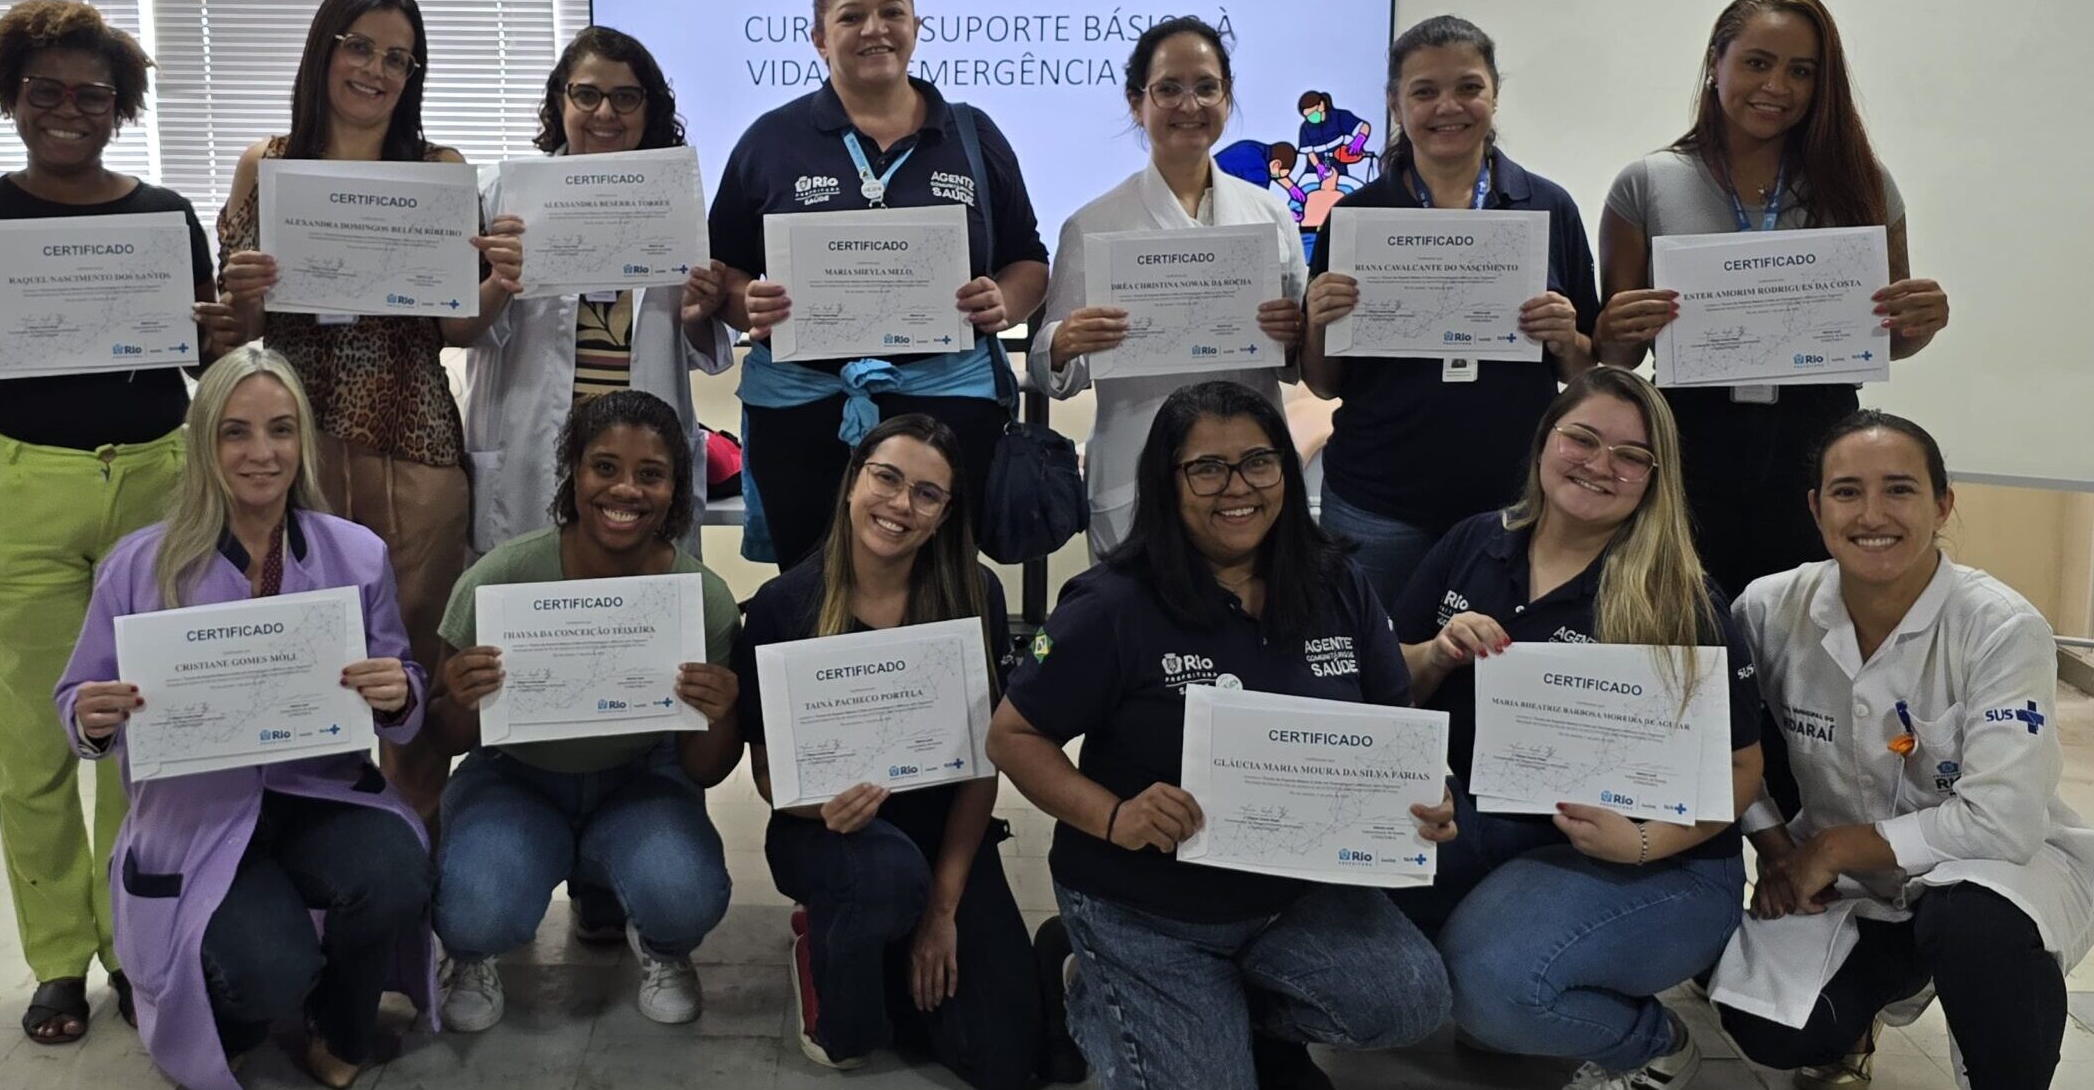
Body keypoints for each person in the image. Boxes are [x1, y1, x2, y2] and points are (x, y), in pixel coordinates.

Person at [0, 0, 236, 1045]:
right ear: (13, 97)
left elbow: (206, 355)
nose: (68, 110)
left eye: (93, 94)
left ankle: (136, 945)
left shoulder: (165, 214)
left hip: (155, 482)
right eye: (46, 91)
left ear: (120, 107)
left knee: (145, 733)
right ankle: (55, 958)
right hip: (22, 484)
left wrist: (227, 327)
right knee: (38, 735)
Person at [984, 381, 1457, 1090]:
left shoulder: (1339, 583)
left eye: (1259, 462)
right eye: (1207, 468)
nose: (1237, 487)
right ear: (1167, 482)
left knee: (1409, 1002)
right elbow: (1012, 736)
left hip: (1296, 897)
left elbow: (1394, 723)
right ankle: (1094, 989)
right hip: (1148, 907)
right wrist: (1115, 817)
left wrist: (1428, 793)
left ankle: (1230, 1018)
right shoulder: (1111, 604)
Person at [55, 348, 437, 1090]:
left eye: (281, 430)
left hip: (317, 791)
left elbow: (404, 698)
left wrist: (397, 693)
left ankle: (343, 1019)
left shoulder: (355, 555)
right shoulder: (139, 567)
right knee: (265, 975)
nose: (262, 453)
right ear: (204, 444)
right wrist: (92, 715)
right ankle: (242, 1004)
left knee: (396, 872)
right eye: (236, 432)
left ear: (304, 442)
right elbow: (77, 700)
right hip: (200, 809)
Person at [1395, 367, 1765, 1090]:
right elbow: (1390, 679)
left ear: (1655, 478)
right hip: (1493, 824)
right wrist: (1437, 654)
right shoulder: (1475, 542)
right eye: (1582, 439)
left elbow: (1743, 768)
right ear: (1545, 441)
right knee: (1347, 900)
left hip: (1658, 859)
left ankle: (1650, 1042)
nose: (1600, 466)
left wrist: (1643, 840)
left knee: (1487, 985)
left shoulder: (1678, 598)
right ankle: (1531, 982)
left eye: (1630, 457)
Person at [1713, 411, 2088, 1090]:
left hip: (1994, 874)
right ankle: (1856, 1023)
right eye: (1848, 491)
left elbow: (2000, 823)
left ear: (1943, 503)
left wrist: (1828, 850)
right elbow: (1721, 741)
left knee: (1979, 925)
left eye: (1901, 489)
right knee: (1769, 1026)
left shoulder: (2000, 627)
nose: (1872, 514)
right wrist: (1775, 846)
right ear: (1816, 507)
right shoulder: (1769, 608)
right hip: (1853, 886)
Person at [213, 0, 514, 824]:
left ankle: (415, 884)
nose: (376, 70)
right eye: (359, 46)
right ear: (324, 51)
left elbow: (455, 328)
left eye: (397, 57)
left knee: (408, 670)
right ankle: (304, 870)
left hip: (412, 440)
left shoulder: (437, 171)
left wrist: (499, 285)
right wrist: (241, 291)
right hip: (287, 450)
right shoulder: (265, 166)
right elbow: (233, 338)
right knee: (291, 660)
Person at [1592, 0, 1950, 598]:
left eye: (1801, 71)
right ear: (1716, 61)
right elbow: (1617, 357)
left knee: (1808, 621)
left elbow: (1887, 343)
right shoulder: (1646, 183)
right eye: (1757, 62)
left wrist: (1921, 323)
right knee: (1684, 618)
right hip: (1688, 432)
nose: (1777, 87)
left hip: (1816, 428)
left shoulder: (1862, 182)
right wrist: (1614, 330)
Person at [707, 0, 1049, 568]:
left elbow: (1028, 259)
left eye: (892, 12)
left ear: (917, 27)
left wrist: (1007, 301)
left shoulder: (973, 135)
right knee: (811, 584)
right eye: (851, 16)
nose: (875, 29)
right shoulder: (770, 140)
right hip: (804, 412)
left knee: (936, 585)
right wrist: (744, 304)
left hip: (948, 406)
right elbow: (723, 270)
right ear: (818, 38)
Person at [733, 415, 1045, 1087]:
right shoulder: (781, 608)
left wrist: (942, 913)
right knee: (857, 1038)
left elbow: (981, 765)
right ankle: (829, 970)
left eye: (927, 494)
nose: (901, 505)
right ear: (853, 482)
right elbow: (767, 774)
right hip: (831, 833)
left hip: (941, 833)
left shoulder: (975, 595)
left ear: (944, 514)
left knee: (1008, 1061)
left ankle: (890, 937)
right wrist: (821, 810)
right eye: (887, 478)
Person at [428, 390, 744, 1033]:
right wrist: (460, 698)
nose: (625, 490)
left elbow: (706, 771)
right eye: (604, 467)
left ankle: (660, 944)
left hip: (640, 777)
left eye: (650, 474)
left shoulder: (702, 599)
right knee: (472, 911)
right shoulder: (501, 577)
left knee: (683, 896)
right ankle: (472, 952)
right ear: (573, 473)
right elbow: (445, 734)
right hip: (515, 773)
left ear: (676, 488)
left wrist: (720, 712)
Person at [1298, 15, 1601, 607]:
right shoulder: (1356, 217)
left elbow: (1584, 372)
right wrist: (1315, 321)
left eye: (1468, 87)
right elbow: (1324, 382)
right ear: (1394, 103)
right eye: (1424, 91)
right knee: (1375, 676)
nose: (1448, 107)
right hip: (1375, 502)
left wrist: (1567, 337)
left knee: (1497, 679)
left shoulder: (1548, 207)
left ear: (1494, 94)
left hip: (1514, 502)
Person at [448, 25, 734, 555]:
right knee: (527, 601)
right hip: (530, 448)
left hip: (639, 454)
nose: (606, 113)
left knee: (646, 605)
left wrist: (700, 310)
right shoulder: (504, 193)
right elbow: (460, 330)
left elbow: (696, 344)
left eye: (625, 97)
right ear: (561, 102)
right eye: (587, 94)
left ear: (650, 108)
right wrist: (499, 281)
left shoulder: (675, 203)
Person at [1032, 15, 1309, 555]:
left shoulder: (1272, 216)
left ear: (1228, 98)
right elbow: (1054, 376)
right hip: (1137, 469)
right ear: (1137, 103)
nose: (1190, 105)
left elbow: (1297, 359)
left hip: (1248, 472)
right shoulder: (1093, 224)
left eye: (1207, 87)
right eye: (1168, 90)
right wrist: (1065, 343)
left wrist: (1294, 332)